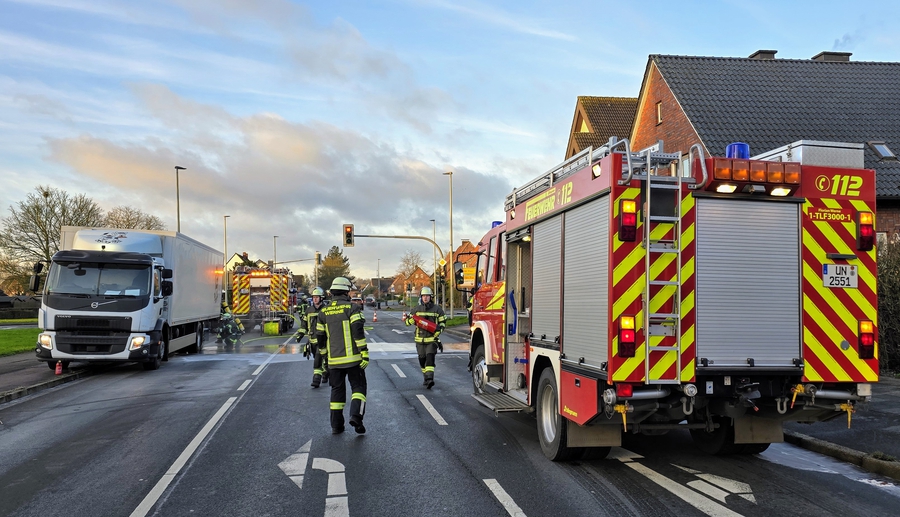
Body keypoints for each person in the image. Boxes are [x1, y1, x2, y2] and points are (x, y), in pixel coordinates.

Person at [316, 277, 369, 434]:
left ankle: (336, 426)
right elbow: (358, 332)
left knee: (337, 391)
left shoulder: (323, 312)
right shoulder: (352, 308)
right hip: (354, 360)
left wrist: (325, 357)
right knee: (358, 388)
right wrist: (364, 352)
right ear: (346, 292)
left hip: (334, 361)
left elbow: (320, 337)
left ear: (332, 292)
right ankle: (356, 417)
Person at [405, 286, 446, 389]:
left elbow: (443, 322)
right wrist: (410, 321)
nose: (425, 298)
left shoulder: (437, 309)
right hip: (419, 340)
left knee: (430, 358)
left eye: (427, 296)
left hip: (432, 340)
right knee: (422, 360)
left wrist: (439, 331)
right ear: (421, 297)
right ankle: (425, 376)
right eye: (423, 296)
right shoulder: (417, 309)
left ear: (430, 297)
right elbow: (407, 322)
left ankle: (430, 379)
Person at [297, 287, 329, 388]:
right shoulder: (309, 310)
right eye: (313, 297)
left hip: (324, 339)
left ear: (321, 298)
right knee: (318, 358)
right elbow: (304, 324)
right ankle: (326, 372)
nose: (315, 299)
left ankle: (316, 379)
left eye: (317, 297)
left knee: (318, 359)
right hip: (312, 340)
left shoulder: (326, 310)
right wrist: (300, 334)